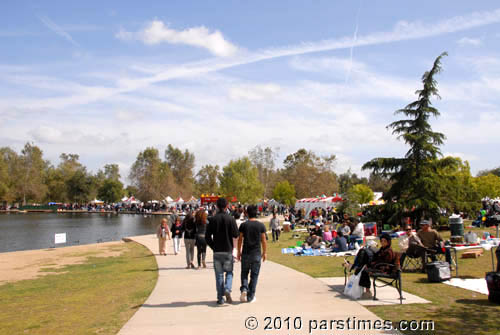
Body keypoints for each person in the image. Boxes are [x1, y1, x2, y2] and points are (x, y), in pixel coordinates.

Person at [205, 198, 239, 306]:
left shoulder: (213, 219)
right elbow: (235, 234)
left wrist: (213, 246)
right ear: (227, 206)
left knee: (219, 275)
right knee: (229, 272)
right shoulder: (231, 219)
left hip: (217, 250)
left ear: (216, 206)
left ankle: (220, 298)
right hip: (228, 250)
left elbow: (207, 236)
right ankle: (228, 289)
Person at [237, 205, 267, 303]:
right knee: (254, 275)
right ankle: (250, 296)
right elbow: (263, 240)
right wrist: (265, 252)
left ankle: (244, 289)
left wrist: (238, 251)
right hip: (256, 253)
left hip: (246, 253)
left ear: (247, 213)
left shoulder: (244, 225)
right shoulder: (261, 225)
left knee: (244, 273)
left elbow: (240, 239)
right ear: (256, 213)